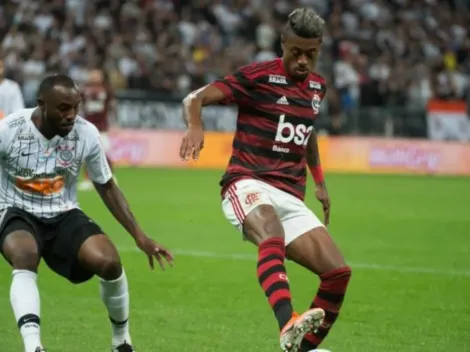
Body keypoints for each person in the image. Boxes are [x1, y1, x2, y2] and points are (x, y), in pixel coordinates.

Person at [180, 8, 351, 352]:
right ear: (283, 43)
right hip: (246, 181)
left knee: (337, 274)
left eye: (311, 54)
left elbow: (307, 132)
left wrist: (319, 181)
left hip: (291, 192)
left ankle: (305, 349)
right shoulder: (257, 76)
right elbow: (195, 98)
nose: (303, 61)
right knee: (270, 232)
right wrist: (196, 125)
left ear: (319, 49)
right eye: (296, 52)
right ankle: (287, 320)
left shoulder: (318, 86)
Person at [0, 74, 173, 352]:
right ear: (42, 104)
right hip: (16, 209)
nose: (71, 116)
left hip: (63, 212)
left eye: (75, 107)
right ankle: (33, 347)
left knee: (109, 262)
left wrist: (140, 237)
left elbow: (106, 186)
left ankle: (122, 342)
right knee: (24, 255)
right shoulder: (9, 130)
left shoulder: (86, 133)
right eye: (63, 108)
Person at [78, 68, 116, 191]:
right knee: (87, 153)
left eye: (97, 74)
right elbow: (79, 106)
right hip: (87, 126)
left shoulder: (107, 89)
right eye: (92, 74)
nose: (94, 76)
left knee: (105, 152)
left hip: (102, 126)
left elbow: (112, 106)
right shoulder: (83, 90)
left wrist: (114, 122)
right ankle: (88, 178)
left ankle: (110, 176)